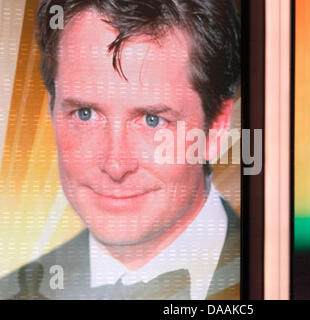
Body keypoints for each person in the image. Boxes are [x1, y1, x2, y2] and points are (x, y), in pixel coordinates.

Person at [0, 0, 240, 300]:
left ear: (216, 127)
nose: (115, 164)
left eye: (152, 120)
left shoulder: (281, 274)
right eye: (85, 113)